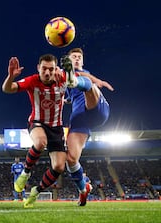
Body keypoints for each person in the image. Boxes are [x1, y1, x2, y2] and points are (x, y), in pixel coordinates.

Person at [2, 54, 93, 208]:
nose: (47, 72)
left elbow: (79, 82)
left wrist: (70, 74)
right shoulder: (32, 81)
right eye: (44, 69)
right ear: (39, 68)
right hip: (37, 123)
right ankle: (25, 173)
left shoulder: (63, 78)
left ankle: (35, 192)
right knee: (40, 142)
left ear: (55, 69)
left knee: (59, 167)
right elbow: (7, 89)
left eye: (51, 69)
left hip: (56, 129)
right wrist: (10, 76)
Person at [61, 47, 113, 206]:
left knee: (87, 84)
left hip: (97, 107)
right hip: (80, 116)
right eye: (73, 57)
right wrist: (64, 100)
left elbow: (85, 76)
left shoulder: (84, 73)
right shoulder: (63, 81)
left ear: (82, 61)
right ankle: (83, 189)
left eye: (79, 57)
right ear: (68, 61)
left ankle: (76, 80)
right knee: (70, 159)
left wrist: (95, 80)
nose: (77, 59)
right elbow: (67, 96)